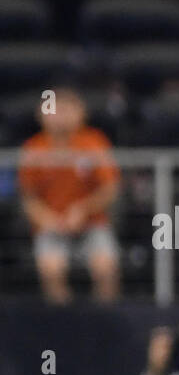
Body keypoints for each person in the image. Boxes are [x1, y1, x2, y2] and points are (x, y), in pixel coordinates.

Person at [18, 88, 120, 304]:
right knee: (51, 268)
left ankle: (105, 322)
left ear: (81, 113)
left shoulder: (93, 142)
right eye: (54, 110)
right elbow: (28, 199)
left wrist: (83, 210)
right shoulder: (34, 148)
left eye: (67, 110)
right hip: (51, 226)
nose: (60, 116)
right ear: (41, 114)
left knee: (105, 267)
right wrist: (46, 219)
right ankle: (64, 324)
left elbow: (109, 189)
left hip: (92, 224)